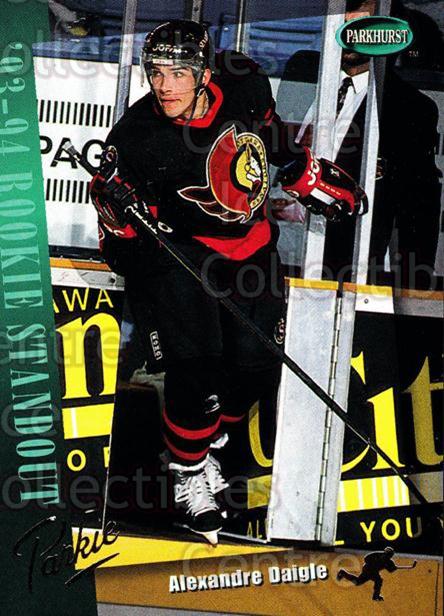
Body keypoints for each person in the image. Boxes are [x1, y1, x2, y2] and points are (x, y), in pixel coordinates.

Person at [90, 20, 366, 545]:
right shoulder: (135, 139)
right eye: (155, 73)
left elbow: (269, 139)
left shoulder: (244, 82)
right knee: (196, 372)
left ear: (204, 74)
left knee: (257, 368)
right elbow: (119, 250)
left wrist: (303, 174)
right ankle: (189, 474)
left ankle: (207, 442)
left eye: (178, 73)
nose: (165, 85)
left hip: (251, 248)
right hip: (183, 258)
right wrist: (124, 225)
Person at [277, 0, 441, 289]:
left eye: (362, 24)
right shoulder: (301, 75)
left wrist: (411, 296)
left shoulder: (409, 109)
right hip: (272, 257)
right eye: (344, 21)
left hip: (341, 276)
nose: (351, 32)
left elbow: (418, 213)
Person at [337, 546, 417, 600]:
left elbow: (391, 570)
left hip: (373, 572)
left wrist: (394, 568)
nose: (387, 556)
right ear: (385, 553)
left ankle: (343, 573)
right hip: (368, 569)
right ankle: (376, 596)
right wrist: (372, 564)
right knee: (378, 580)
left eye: (389, 555)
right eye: (387, 554)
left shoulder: (389, 562)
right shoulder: (377, 555)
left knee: (359, 582)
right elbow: (366, 558)